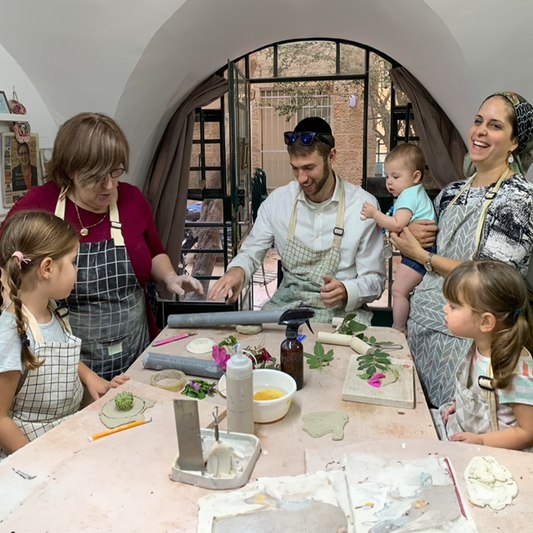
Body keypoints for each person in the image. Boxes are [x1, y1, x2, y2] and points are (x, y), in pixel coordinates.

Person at [2, 112, 203, 380]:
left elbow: (154, 251)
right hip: (67, 367)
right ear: (71, 171)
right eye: (97, 176)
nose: (109, 185)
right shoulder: (39, 206)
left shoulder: (132, 200)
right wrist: (11, 308)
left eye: (115, 171)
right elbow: (7, 263)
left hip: (135, 351)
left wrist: (170, 277)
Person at [391, 91, 533, 408]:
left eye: (495, 125)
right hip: (419, 329)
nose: (480, 131)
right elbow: (410, 242)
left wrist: (424, 256)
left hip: (469, 342)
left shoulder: (520, 200)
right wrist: (408, 233)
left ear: (514, 143)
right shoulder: (451, 193)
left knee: (454, 426)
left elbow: (491, 279)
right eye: (478, 121)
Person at [208, 117, 386, 324]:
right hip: (287, 309)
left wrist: (347, 290)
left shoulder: (363, 207)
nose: (301, 178)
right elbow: (250, 253)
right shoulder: (277, 203)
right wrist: (238, 271)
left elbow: (375, 280)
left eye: (309, 168)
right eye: (295, 168)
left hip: (342, 316)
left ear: (331, 156)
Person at [0, 211, 129, 458]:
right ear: (47, 268)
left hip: (67, 439)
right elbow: (0, 419)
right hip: (33, 456)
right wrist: (36, 462)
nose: (77, 269)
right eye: (73, 261)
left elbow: (54, 356)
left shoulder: (53, 311)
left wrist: (91, 378)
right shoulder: (11, 333)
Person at [436, 260, 533, 451]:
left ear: (486, 322)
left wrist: (482, 441)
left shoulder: (515, 371)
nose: (445, 309)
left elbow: (528, 432)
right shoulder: (479, 345)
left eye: (453, 306)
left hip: (494, 455)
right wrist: (460, 406)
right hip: (465, 440)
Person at [360, 143, 436, 335]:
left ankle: (399, 328)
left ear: (415, 177)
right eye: (387, 177)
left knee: (399, 290)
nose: (389, 183)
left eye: (396, 177)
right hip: (424, 251)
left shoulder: (407, 197)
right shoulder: (415, 193)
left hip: (419, 254)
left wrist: (375, 214)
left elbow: (397, 224)